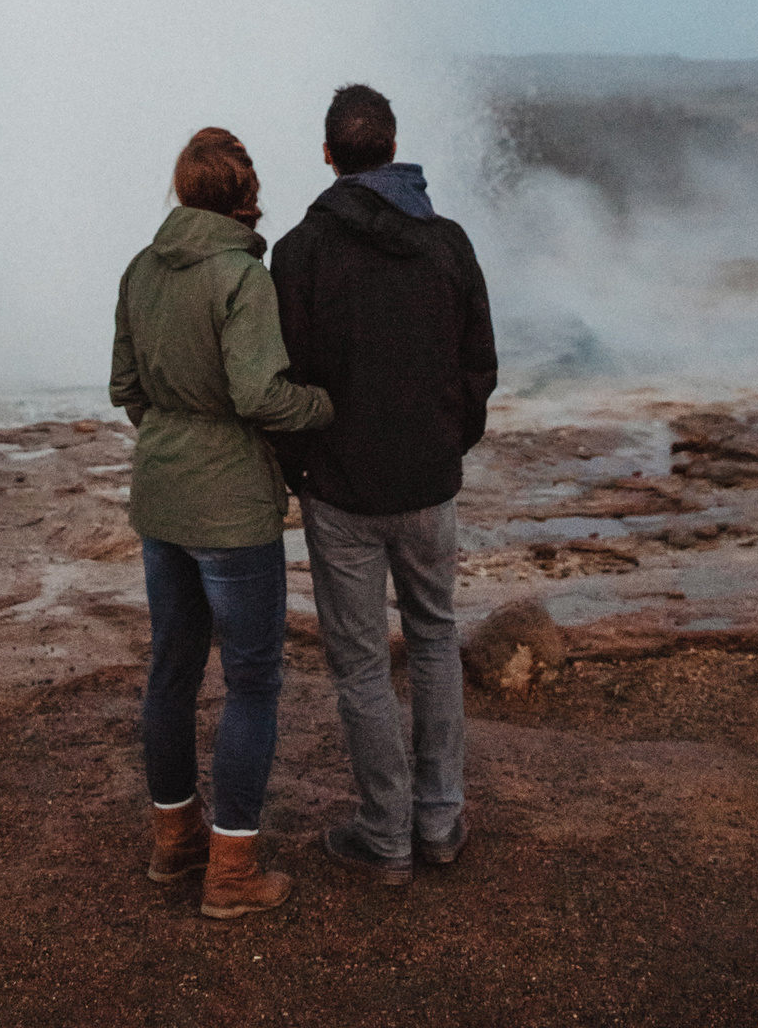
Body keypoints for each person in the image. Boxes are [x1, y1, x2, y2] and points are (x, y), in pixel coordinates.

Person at [270, 83, 497, 885]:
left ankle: (385, 836)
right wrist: (445, 446)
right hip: (429, 487)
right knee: (435, 640)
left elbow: (285, 379)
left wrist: (302, 468)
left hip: (340, 491)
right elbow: (479, 366)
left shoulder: (299, 251)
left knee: (362, 666)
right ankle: (438, 823)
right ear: (393, 149)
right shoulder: (450, 244)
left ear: (328, 155)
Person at [110, 125, 333, 919]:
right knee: (251, 682)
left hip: (160, 495)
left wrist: (172, 439)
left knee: (171, 670)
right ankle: (233, 873)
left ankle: (175, 842)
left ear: (181, 193)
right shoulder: (242, 276)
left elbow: (125, 387)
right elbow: (260, 397)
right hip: (231, 507)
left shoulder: (141, 268)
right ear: (244, 196)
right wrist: (325, 406)